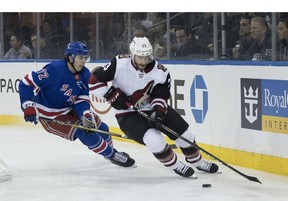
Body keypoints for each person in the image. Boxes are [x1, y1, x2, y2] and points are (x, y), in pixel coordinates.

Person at [89, 37, 219, 178]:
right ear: (132, 54)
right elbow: (94, 80)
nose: (143, 62)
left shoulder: (160, 72)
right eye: (140, 57)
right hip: (126, 114)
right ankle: (176, 166)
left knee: (185, 134)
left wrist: (158, 112)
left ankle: (197, 161)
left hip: (151, 108)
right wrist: (111, 96)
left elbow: (161, 96)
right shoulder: (119, 63)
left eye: (146, 57)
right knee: (154, 140)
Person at [18, 41, 135, 168]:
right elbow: (25, 82)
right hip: (51, 116)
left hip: (70, 108)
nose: (84, 61)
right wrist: (28, 105)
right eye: (80, 58)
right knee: (83, 132)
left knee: (102, 128)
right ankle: (112, 155)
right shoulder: (54, 69)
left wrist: (85, 114)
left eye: (85, 57)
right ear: (70, 57)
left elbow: (81, 99)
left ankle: (110, 153)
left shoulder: (85, 75)